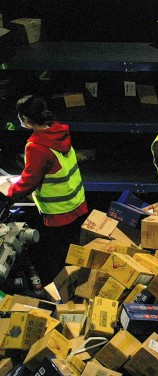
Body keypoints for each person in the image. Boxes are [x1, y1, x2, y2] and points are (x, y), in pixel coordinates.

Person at [2, 95, 88, 283]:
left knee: (55, 258)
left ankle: (60, 292)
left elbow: (29, 182)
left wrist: (8, 193)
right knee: (71, 252)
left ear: (25, 119)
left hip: (58, 213)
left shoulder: (36, 146)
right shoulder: (59, 131)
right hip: (76, 202)